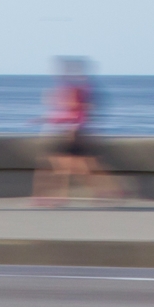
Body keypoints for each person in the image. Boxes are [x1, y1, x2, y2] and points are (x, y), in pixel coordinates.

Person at [31, 56, 124, 204]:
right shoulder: (84, 87)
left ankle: (56, 196)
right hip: (77, 131)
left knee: (62, 165)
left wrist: (50, 120)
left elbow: (76, 113)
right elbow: (78, 112)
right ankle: (107, 190)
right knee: (78, 165)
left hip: (74, 133)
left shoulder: (77, 89)